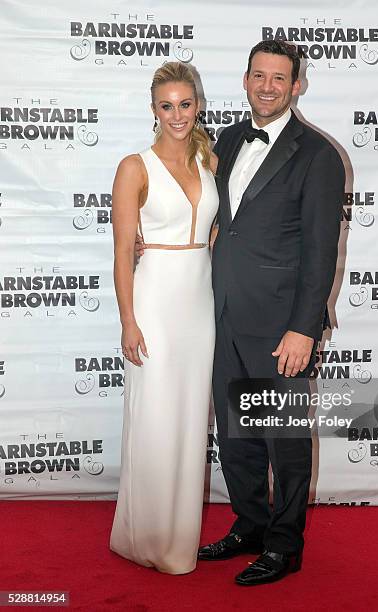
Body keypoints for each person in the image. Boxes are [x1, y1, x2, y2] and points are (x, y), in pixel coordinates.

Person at [197, 40, 345, 585]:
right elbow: (211, 221)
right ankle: (250, 525)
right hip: (221, 315)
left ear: (297, 85)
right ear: (244, 79)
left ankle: (284, 545)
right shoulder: (225, 141)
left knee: (284, 442)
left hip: (282, 325)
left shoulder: (318, 156)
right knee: (235, 435)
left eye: (279, 78)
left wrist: (304, 328)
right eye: (258, 75)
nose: (267, 86)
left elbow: (321, 251)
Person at [109, 62, 218, 574]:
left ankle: (179, 536)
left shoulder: (209, 159)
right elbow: (122, 253)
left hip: (200, 303)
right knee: (154, 419)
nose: (177, 114)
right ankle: (147, 538)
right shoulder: (135, 167)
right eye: (166, 105)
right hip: (154, 302)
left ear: (198, 104)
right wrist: (129, 321)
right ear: (153, 109)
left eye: (185, 104)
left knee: (191, 418)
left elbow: (213, 230)